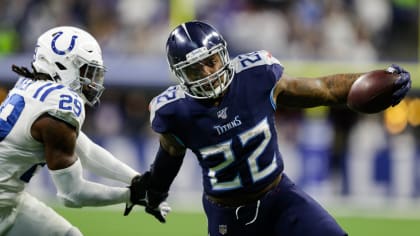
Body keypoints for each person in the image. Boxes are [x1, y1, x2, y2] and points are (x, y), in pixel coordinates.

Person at [144, 21, 411, 236]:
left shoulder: (257, 76)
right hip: (227, 216)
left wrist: (379, 78)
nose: (206, 73)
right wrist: (154, 192)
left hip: (281, 197)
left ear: (223, 55)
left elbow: (326, 89)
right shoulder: (174, 111)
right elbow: (169, 156)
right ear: (180, 75)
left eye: (210, 61)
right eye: (193, 70)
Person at [0, 26, 169, 236]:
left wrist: (137, 180)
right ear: (62, 65)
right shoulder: (59, 104)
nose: (92, 81)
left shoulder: (31, 87)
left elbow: (85, 150)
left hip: (9, 199)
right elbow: (72, 194)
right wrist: (132, 196)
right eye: (85, 70)